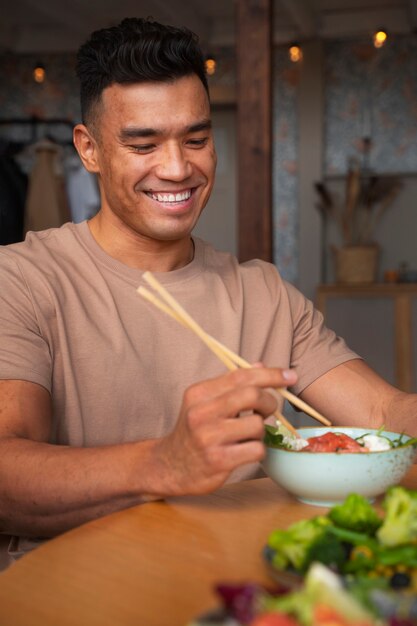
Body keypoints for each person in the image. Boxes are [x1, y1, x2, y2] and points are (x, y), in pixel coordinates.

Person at [0, 17, 415, 570]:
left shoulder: (263, 292)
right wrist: (162, 464)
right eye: (143, 144)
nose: (177, 168)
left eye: (196, 139)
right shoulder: (23, 279)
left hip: (241, 584)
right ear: (89, 148)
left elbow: (386, 413)